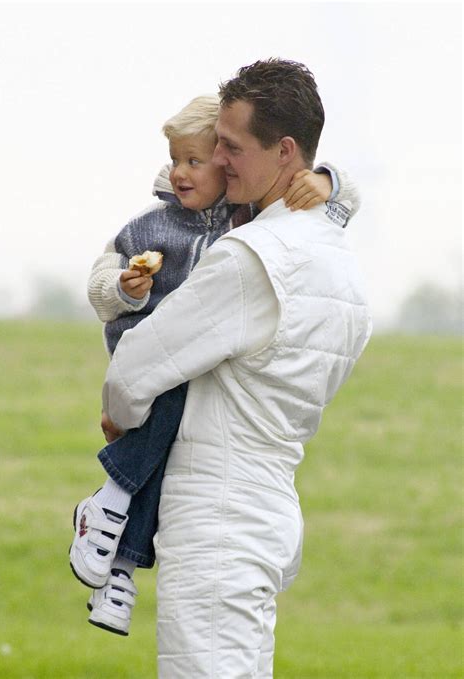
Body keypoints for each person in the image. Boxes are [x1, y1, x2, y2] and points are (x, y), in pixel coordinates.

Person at [99, 59, 372, 677]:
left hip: (215, 522)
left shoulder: (252, 259)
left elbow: (133, 370)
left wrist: (121, 422)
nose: (217, 159)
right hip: (271, 510)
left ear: (284, 152)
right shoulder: (342, 263)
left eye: (230, 146)